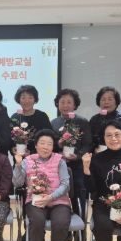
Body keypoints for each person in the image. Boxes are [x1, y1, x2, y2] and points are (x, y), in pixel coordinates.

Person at [13, 129, 71, 241]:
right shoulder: (27, 161)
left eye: (49, 144)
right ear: (36, 145)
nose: (46, 147)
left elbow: (65, 185)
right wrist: (18, 165)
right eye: (42, 143)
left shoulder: (60, 161)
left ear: (53, 146)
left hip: (58, 201)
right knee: (37, 221)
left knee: (61, 223)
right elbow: (17, 183)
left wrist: (51, 197)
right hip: (35, 200)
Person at [51, 88, 92, 223]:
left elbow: (88, 144)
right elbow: (50, 145)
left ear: (75, 105)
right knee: (61, 198)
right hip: (59, 167)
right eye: (62, 102)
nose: (65, 105)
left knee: (79, 196)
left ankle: (80, 230)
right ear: (57, 104)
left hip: (77, 166)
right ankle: (65, 229)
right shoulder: (54, 123)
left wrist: (78, 156)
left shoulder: (82, 122)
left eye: (69, 102)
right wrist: (58, 145)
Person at [89, 86, 121, 152]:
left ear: (116, 102)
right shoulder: (94, 119)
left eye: (110, 99)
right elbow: (89, 141)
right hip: (99, 155)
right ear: (99, 102)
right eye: (103, 99)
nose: (106, 102)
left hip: (120, 154)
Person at [10, 85, 52, 153]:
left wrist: (32, 152)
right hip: (19, 156)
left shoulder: (42, 116)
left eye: (30, 97)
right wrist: (12, 149)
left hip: (39, 156)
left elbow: (49, 138)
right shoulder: (15, 117)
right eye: (23, 98)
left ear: (35, 100)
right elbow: (10, 139)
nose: (27, 101)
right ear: (19, 100)